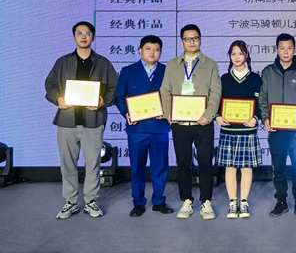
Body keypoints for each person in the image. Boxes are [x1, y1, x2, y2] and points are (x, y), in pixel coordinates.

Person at [45, 21, 117, 219]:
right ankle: (70, 202)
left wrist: (103, 101)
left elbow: (114, 88)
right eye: (79, 33)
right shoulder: (62, 62)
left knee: (93, 163)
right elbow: (50, 85)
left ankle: (91, 201)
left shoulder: (103, 63)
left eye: (87, 33)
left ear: (93, 37)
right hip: (67, 120)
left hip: (93, 120)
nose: (83, 36)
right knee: (67, 163)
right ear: (73, 37)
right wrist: (58, 98)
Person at [160, 24, 222, 220]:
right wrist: (169, 113)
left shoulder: (210, 64)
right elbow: (165, 90)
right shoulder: (172, 65)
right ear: (182, 42)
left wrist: (209, 114)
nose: (192, 42)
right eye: (187, 39)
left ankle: (206, 202)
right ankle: (186, 201)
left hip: (203, 123)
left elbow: (216, 92)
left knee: (205, 162)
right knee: (183, 163)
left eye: (195, 38)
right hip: (179, 124)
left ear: (200, 40)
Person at [114, 35, 174, 217]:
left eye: (156, 49)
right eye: (148, 48)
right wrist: (127, 112)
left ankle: (159, 201)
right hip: (137, 129)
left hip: (159, 127)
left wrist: (169, 111)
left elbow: (175, 95)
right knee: (137, 167)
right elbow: (119, 96)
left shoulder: (167, 71)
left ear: (160, 52)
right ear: (140, 50)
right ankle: (138, 202)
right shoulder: (128, 71)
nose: (152, 52)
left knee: (160, 166)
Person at [259, 33, 296, 218]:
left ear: (294, 49)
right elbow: (263, 97)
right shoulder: (268, 71)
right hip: (276, 130)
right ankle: (281, 201)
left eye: (289, 48)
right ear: (276, 50)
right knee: (279, 168)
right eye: (282, 48)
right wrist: (265, 118)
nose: (285, 52)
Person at [215, 41, 262, 219]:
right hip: (228, 130)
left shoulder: (255, 79)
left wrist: (255, 117)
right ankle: (232, 202)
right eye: (233, 53)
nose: (237, 57)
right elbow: (216, 101)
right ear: (229, 56)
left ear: (246, 55)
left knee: (246, 167)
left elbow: (261, 103)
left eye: (240, 53)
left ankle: (243, 202)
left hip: (247, 130)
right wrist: (217, 116)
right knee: (230, 167)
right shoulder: (224, 79)